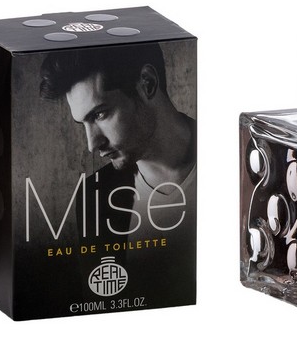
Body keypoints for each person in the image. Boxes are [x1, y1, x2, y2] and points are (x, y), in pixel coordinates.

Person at [39, 43, 196, 240]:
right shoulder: (94, 196)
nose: (92, 144)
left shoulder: (228, 160)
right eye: (83, 123)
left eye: (100, 114)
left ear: (147, 83)